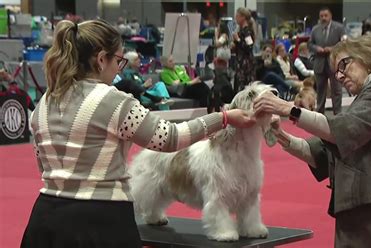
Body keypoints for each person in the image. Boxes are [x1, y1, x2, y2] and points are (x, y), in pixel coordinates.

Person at [21, 19, 256, 248]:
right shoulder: (114, 101)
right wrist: (223, 118)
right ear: (102, 59)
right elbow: (170, 138)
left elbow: (43, 164)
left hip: (45, 219)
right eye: (119, 61)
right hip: (100, 220)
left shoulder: (43, 103)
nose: (118, 70)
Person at [254, 34, 371, 247]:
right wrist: (282, 137)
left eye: (344, 65)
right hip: (366, 207)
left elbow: (342, 130)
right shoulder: (370, 95)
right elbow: (325, 150)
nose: (339, 76)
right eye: (336, 71)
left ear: (366, 56)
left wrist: (286, 108)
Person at [308, 6, 345, 115]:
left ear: (330, 16)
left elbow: (344, 43)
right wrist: (316, 48)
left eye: (326, 16)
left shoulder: (339, 28)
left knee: (336, 90)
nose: (323, 18)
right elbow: (309, 44)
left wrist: (332, 48)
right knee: (320, 91)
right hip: (319, 64)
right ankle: (319, 114)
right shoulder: (315, 29)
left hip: (334, 63)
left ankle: (337, 114)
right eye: (321, 16)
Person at [233, 7, 255, 93]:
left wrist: (238, 40)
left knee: (244, 89)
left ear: (243, 17)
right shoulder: (241, 31)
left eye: (237, 16)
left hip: (246, 65)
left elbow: (249, 46)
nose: (236, 18)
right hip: (240, 63)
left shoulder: (247, 31)